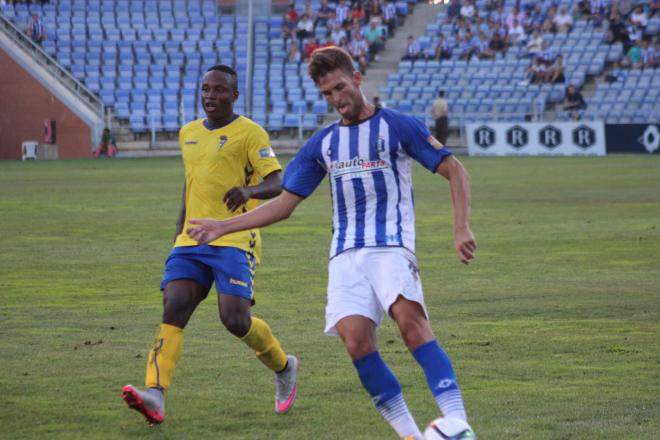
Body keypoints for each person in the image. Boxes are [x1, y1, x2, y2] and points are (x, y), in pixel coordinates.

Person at [186, 47, 477, 440]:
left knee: (411, 325)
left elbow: (454, 170)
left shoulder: (397, 126)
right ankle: (412, 436)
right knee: (356, 342)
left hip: (390, 245)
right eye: (327, 93)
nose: (336, 98)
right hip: (344, 256)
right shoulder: (322, 144)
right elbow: (284, 205)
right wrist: (224, 227)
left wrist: (461, 228)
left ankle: (457, 423)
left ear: (356, 80)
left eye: (340, 87)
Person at [121, 65, 299, 425]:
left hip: (234, 236)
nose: (209, 97)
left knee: (234, 320)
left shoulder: (249, 133)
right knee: (174, 306)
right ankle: (155, 393)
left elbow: (278, 181)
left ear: (234, 95)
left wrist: (249, 191)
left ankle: (283, 366)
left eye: (218, 90)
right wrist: (177, 234)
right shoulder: (188, 133)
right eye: (205, 89)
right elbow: (191, 186)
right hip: (192, 238)